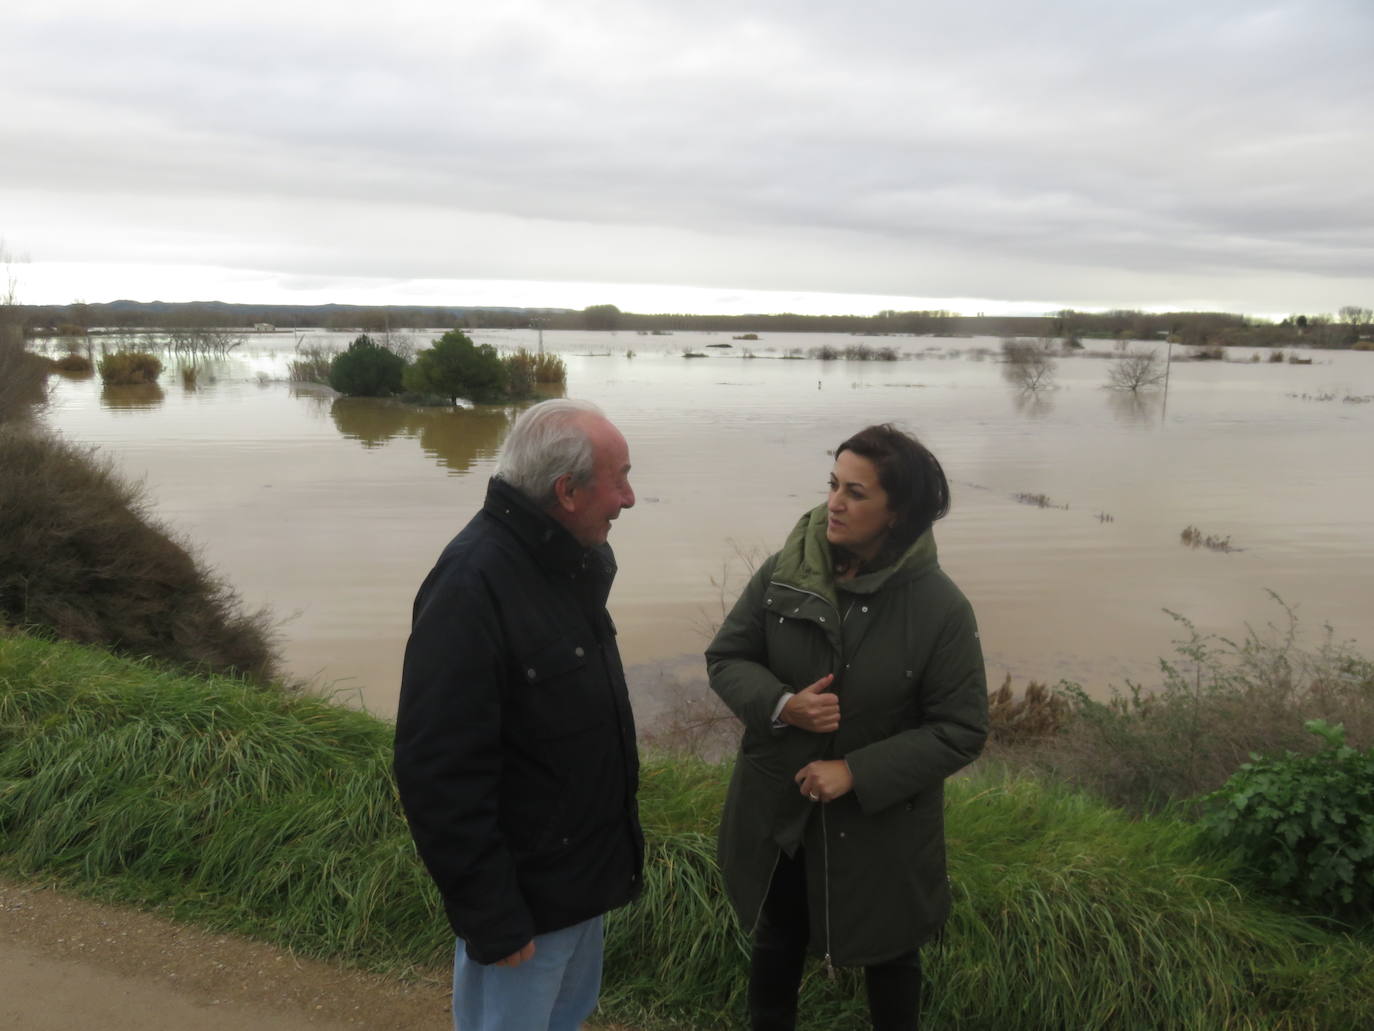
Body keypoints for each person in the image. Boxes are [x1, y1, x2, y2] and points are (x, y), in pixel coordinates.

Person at [706, 423, 988, 1031]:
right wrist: (782, 704)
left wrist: (855, 771)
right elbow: (727, 658)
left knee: (891, 958)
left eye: (856, 493)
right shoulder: (783, 572)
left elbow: (961, 728)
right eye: (833, 484)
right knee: (775, 943)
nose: (834, 502)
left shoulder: (941, 608)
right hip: (782, 810)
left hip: (883, 828)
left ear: (899, 512)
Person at [394, 398, 643, 1031]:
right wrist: (491, 916)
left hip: (578, 889)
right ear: (566, 491)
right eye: (620, 479)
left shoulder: (566, 566)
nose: (629, 498)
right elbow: (439, 771)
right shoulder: (472, 584)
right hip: (524, 910)